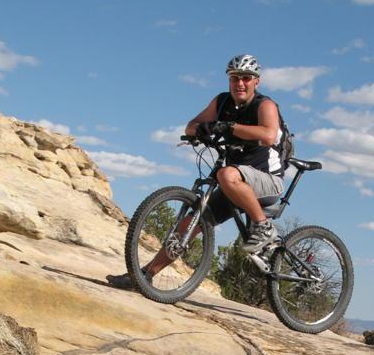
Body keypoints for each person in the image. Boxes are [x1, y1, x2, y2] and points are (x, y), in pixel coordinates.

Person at [108, 53, 284, 290]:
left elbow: (269, 134)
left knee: (226, 175)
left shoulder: (264, 105)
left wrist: (231, 127)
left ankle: (264, 227)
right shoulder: (222, 102)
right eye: (234, 78)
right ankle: (144, 277)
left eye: (245, 78)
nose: (239, 83)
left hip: (267, 180)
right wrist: (203, 128)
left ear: (256, 81)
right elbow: (190, 126)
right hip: (234, 180)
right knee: (191, 223)